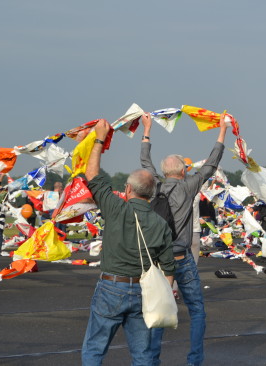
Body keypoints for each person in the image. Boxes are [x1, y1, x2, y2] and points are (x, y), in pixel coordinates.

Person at [81, 119, 175, 366]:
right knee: (143, 354)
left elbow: (92, 175)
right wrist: (164, 297)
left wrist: (99, 139)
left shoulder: (116, 208)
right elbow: (168, 269)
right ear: (151, 194)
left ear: (128, 189)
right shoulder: (160, 224)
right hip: (144, 290)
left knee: (94, 349)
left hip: (112, 286)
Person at [140, 111, 229, 366]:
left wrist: (147, 131)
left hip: (158, 258)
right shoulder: (189, 186)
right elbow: (211, 164)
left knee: (158, 310)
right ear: (183, 170)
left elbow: (145, 162)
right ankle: (194, 360)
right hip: (181, 256)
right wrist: (221, 131)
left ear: (165, 171)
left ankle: (152, 359)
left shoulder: (155, 185)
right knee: (197, 310)